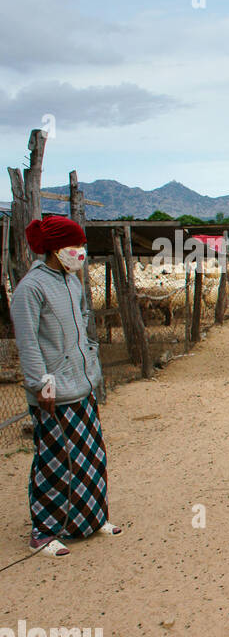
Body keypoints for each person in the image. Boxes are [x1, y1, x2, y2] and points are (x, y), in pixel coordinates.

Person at [10, 216, 121, 558]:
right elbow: (28, 342)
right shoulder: (31, 288)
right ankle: (44, 531)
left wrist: (91, 364)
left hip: (81, 384)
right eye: (74, 246)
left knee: (91, 456)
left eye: (81, 246)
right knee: (56, 460)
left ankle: (90, 519)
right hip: (53, 392)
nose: (80, 252)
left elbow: (84, 322)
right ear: (56, 249)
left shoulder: (72, 282)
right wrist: (40, 383)